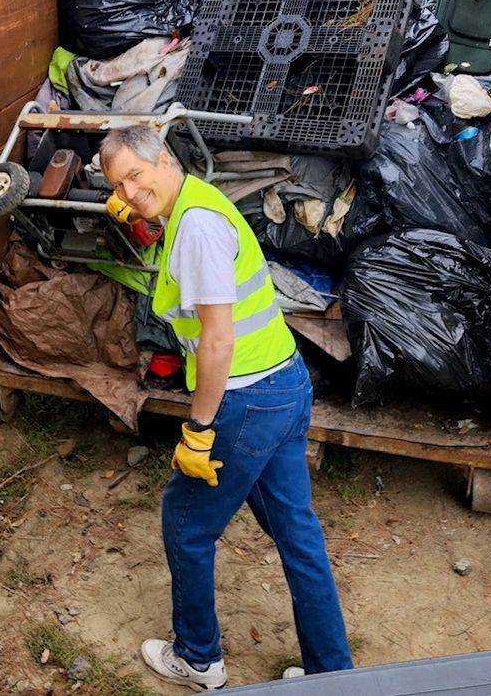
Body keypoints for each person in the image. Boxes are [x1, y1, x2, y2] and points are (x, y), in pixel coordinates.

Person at [99, 126, 353, 690]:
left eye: (137, 177)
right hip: (285, 383)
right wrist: (146, 213)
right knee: (298, 536)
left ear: (164, 157)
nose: (131, 193)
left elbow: (217, 340)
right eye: (120, 186)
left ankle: (198, 658)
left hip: (245, 399)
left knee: (186, 525)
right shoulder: (193, 201)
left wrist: (199, 429)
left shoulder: (197, 230)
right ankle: (331, 676)